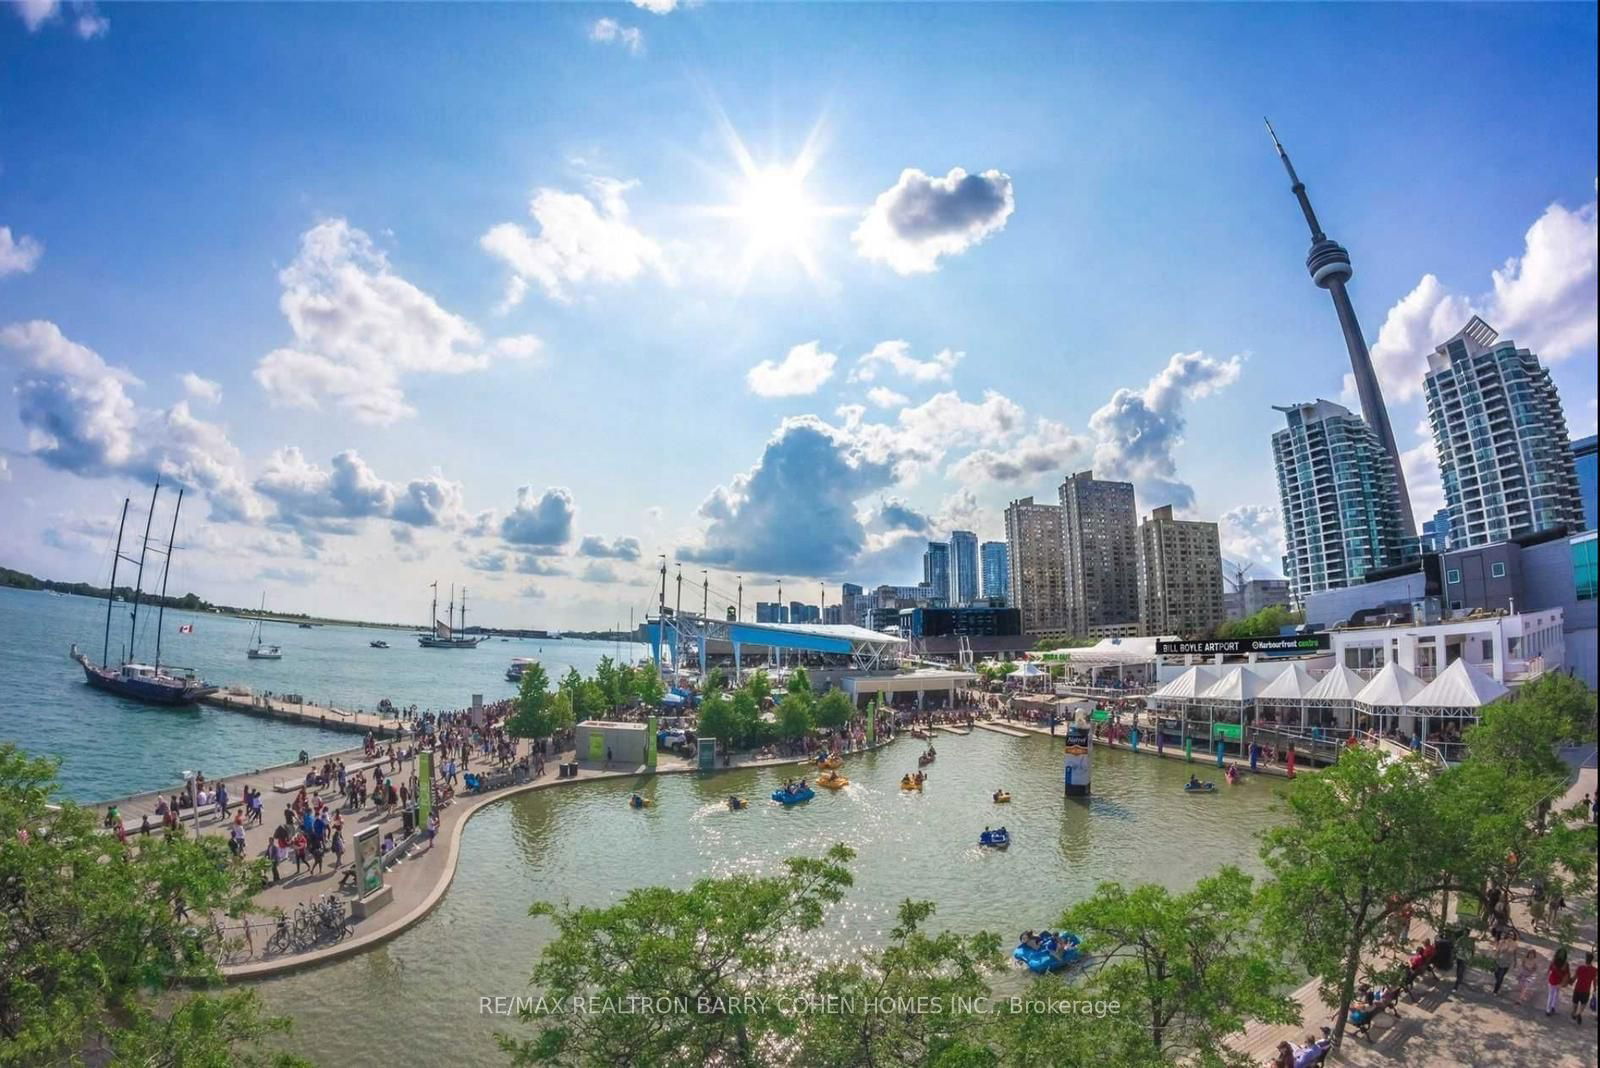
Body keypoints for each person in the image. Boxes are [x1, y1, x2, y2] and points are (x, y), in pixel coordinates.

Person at [1546, 947, 1572, 1016]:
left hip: (1552, 980)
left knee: (1551, 995)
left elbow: (1550, 970)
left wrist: (1547, 975)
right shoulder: (1566, 964)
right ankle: (1553, 1007)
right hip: (1559, 982)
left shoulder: (1553, 961)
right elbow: (1567, 974)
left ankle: (1548, 1010)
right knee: (1556, 994)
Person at [1491, 928, 1518, 995]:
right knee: (1496, 974)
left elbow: (1515, 954)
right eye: (1509, 934)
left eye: (1512, 935)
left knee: (1500, 977)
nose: (1510, 936)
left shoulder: (1515, 944)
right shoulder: (1502, 941)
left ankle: (1495, 990)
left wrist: (1515, 962)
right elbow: (1498, 950)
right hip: (1499, 961)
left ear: (1514, 936)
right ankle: (1498, 985)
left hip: (1507, 963)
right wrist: (1494, 958)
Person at [1572, 951, 1597, 1024]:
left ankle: (1574, 1013)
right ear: (1592, 960)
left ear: (1585, 959)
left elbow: (1574, 978)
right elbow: (1594, 980)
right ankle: (1579, 1013)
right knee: (1583, 1003)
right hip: (1586, 990)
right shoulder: (1594, 970)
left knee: (1575, 1003)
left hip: (1578, 988)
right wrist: (1594, 989)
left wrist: (1569, 981)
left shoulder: (1580, 968)